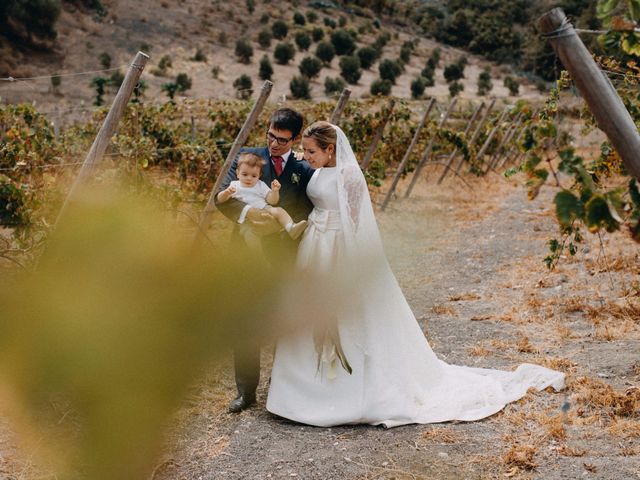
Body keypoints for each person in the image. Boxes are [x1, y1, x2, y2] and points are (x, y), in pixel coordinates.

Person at [266, 121, 565, 427]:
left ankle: (347, 393)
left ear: (331, 149)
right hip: (315, 247)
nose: (306, 155)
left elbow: (357, 223)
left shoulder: (349, 175)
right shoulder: (316, 171)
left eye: (312, 150)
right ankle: (301, 392)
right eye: (305, 149)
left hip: (338, 250)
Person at [215, 108, 314, 413]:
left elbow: (311, 208)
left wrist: (282, 224)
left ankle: (285, 387)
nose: (273, 144)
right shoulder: (248, 157)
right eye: (270, 135)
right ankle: (246, 393)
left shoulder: (303, 166)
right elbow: (224, 197)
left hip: (284, 255)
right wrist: (251, 216)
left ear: (295, 139)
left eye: (282, 140)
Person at [216, 152, 308, 245]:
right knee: (250, 236)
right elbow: (220, 199)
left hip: (265, 209)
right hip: (248, 218)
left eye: (254, 176)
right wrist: (226, 193)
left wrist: (275, 191)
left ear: (259, 176)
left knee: (279, 211)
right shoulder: (234, 185)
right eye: (245, 174)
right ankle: (257, 256)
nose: (249, 178)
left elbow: (272, 200)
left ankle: (290, 228)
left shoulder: (260, 185)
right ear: (237, 173)